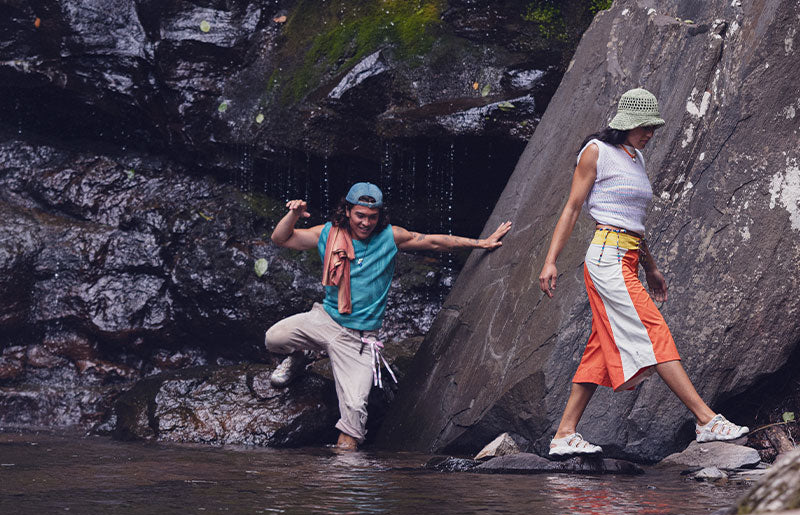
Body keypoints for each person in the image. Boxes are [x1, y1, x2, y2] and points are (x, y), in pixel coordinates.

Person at [538, 88, 748, 457]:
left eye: (653, 127)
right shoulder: (595, 153)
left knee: (600, 350)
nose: (649, 133)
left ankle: (564, 434)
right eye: (643, 127)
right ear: (625, 124)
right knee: (654, 332)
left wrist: (651, 267)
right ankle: (706, 420)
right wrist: (550, 260)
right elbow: (572, 208)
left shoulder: (636, 158)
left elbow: (635, 223)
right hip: (606, 257)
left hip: (628, 259)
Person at [267, 182, 512, 450]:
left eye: (372, 217)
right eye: (360, 215)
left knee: (355, 414)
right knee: (274, 338)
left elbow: (432, 241)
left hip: (358, 339)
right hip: (324, 319)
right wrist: (292, 214)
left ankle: (342, 480)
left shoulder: (390, 237)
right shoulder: (328, 233)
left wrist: (481, 243)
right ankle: (299, 358)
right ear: (348, 211)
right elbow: (281, 238)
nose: (366, 222)